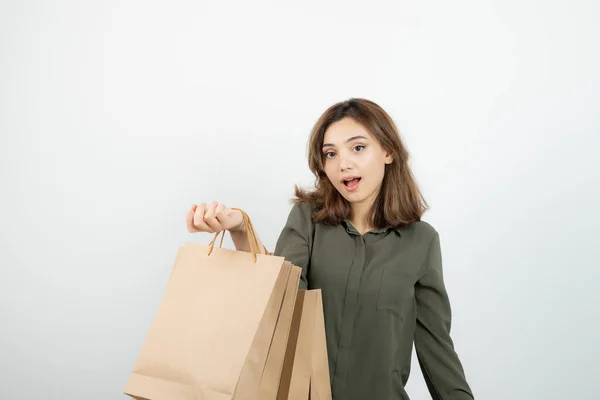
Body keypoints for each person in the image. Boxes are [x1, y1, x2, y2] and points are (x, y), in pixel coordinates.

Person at [186, 98, 474, 400]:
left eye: (358, 148)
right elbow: (278, 301)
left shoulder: (422, 242)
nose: (343, 164)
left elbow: (438, 350)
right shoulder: (307, 220)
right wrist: (240, 228)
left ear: (388, 151)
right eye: (330, 153)